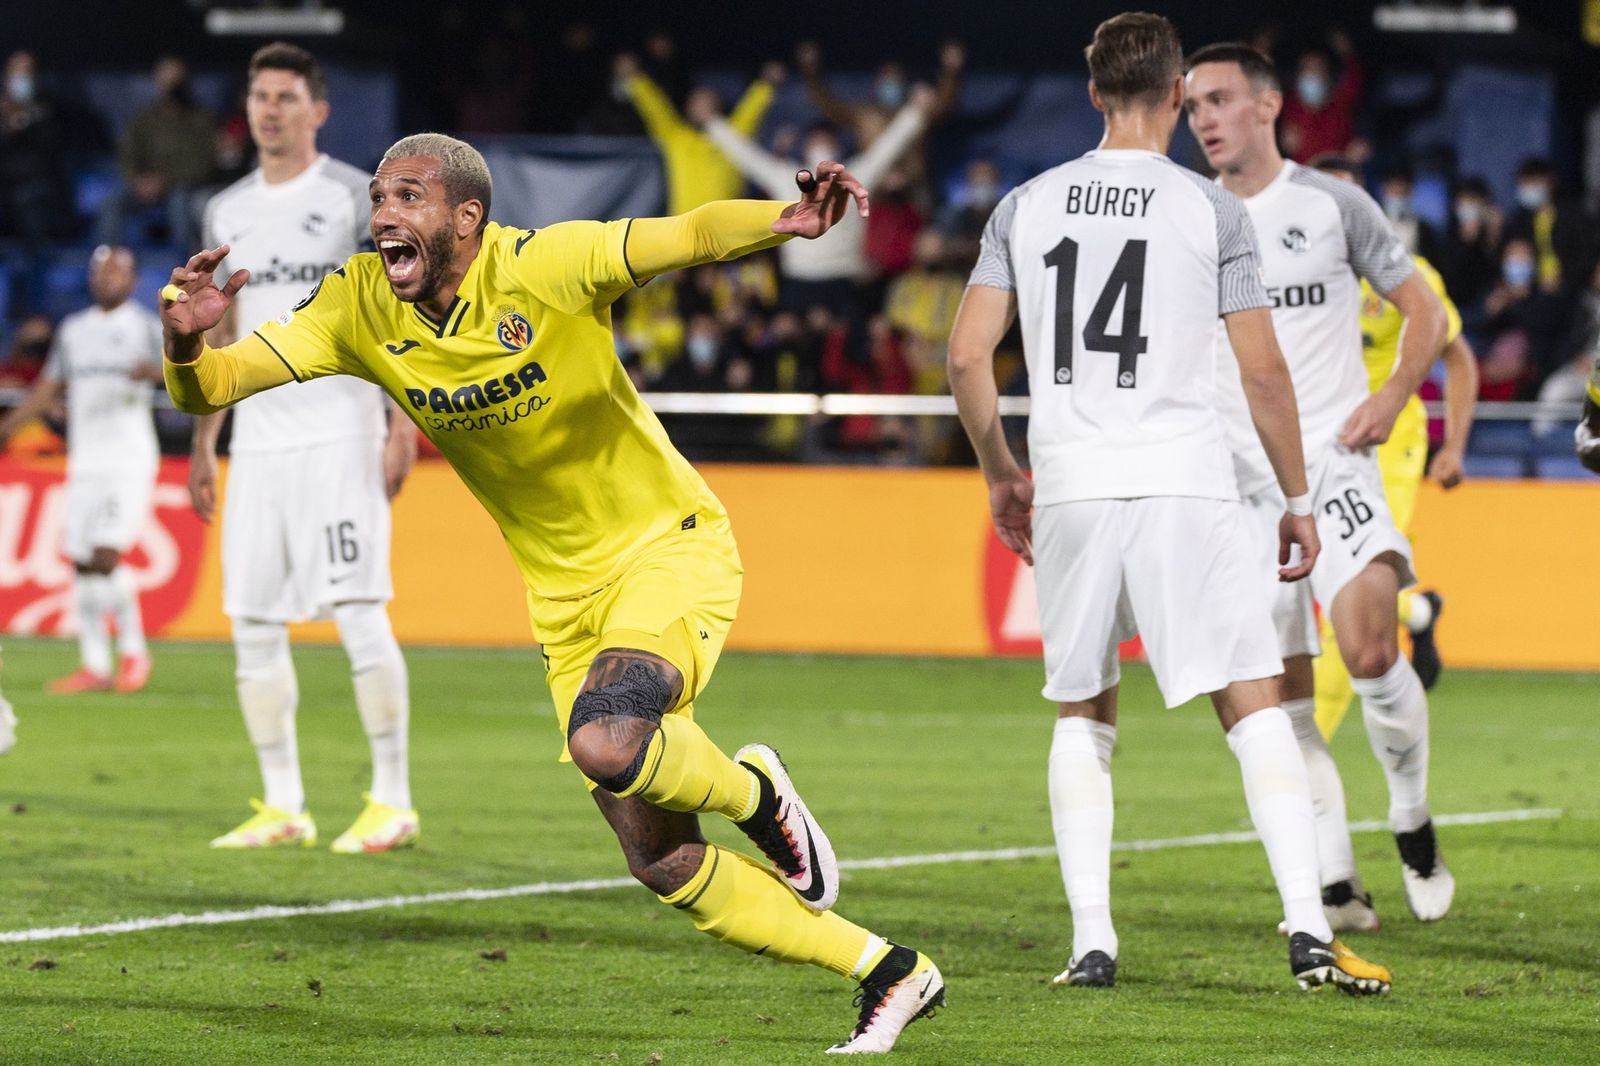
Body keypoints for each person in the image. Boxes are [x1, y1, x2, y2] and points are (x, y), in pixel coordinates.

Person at [157, 134, 943, 1054]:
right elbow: (211, 391)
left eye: (406, 197)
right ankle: (889, 972)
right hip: (563, 603)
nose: (381, 217)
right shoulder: (357, 304)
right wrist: (183, 339)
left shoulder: (543, 265)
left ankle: (752, 793)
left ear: (466, 218)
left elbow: (682, 235)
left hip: (667, 549)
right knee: (657, 856)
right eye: (377, 197)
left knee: (608, 741)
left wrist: (785, 221)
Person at [948, 13, 1389, 995]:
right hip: (1187, 482)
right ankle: (1308, 929)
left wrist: (998, 471)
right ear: (1179, 90)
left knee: (1081, 711)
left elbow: (966, 354)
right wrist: (1296, 496)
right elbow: (1263, 372)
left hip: (1072, 483)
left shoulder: (1026, 204)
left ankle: (1092, 944)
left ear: (1093, 90)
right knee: (1251, 697)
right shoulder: (1209, 209)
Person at [1185, 43, 1453, 930]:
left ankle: (1410, 815)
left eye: (1220, 100)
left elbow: (1426, 311)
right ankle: (1338, 880)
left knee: (1373, 651)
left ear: (1269, 105)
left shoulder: (1334, 205)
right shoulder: (1187, 217)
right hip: (1241, 489)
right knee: (1288, 702)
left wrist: (1390, 395)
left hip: (1335, 463)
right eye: (1192, 108)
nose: (1205, 120)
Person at [188, 45, 418, 854]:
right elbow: (219, 327)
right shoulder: (225, 211)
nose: (270, 110)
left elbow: (395, 314)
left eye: (286, 96)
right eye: (259, 96)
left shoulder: (353, 198)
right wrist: (207, 440)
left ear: (318, 110)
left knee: (359, 612)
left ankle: (392, 798)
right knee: (251, 620)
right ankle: (283, 802)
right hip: (260, 445)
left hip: (341, 433)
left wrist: (398, 423)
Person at [1306, 154, 1478, 733]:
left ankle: (1308, 755)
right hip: (1312, 442)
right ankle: (1419, 609)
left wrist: (1452, 446)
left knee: (1346, 593)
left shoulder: (1406, 274)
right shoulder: (1286, 276)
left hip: (1390, 445)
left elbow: (1460, 361)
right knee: (1329, 583)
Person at [0, 246, 161, 694]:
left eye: (116, 272)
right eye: (99, 271)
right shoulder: (73, 331)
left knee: (106, 555)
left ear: (132, 280)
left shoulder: (146, 327)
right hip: (85, 460)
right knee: (83, 562)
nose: (106, 279)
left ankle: (134, 653)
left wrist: (158, 372)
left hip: (128, 459)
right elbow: (43, 391)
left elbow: (189, 371)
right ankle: (94, 663)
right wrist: (7, 430)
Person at [703, 91, 934, 315]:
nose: (821, 148)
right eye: (816, 142)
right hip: (800, 281)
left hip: (844, 280)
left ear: (837, 148)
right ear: (805, 148)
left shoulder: (854, 176)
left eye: (827, 142)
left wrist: (915, 114)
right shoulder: (787, 178)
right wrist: (712, 124)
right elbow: (748, 158)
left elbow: (885, 151)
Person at [617, 54, 781, 216]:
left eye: (708, 101)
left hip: (724, 231)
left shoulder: (733, 136)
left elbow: (751, 110)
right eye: (696, 101)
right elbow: (655, 109)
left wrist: (767, 83)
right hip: (684, 228)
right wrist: (634, 78)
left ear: (719, 106)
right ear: (688, 107)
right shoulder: (676, 136)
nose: (701, 106)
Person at [97, 56, 216, 251]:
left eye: (175, 81)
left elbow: (203, 163)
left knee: (180, 202)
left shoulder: (200, 119)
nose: (170, 86)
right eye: (165, 80)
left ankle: (183, 262)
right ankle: (108, 261)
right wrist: (137, 180)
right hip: (145, 185)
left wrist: (165, 181)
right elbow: (128, 152)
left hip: (182, 186)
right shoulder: (145, 118)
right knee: (112, 202)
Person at [1277, 29, 1361, 164]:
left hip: (1334, 174)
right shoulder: (1289, 104)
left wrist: (1347, 54)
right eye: (1308, 69)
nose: (1312, 74)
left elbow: (1354, 80)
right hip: (1302, 173)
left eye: (1317, 69)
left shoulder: (1340, 103)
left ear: (1327, 76)